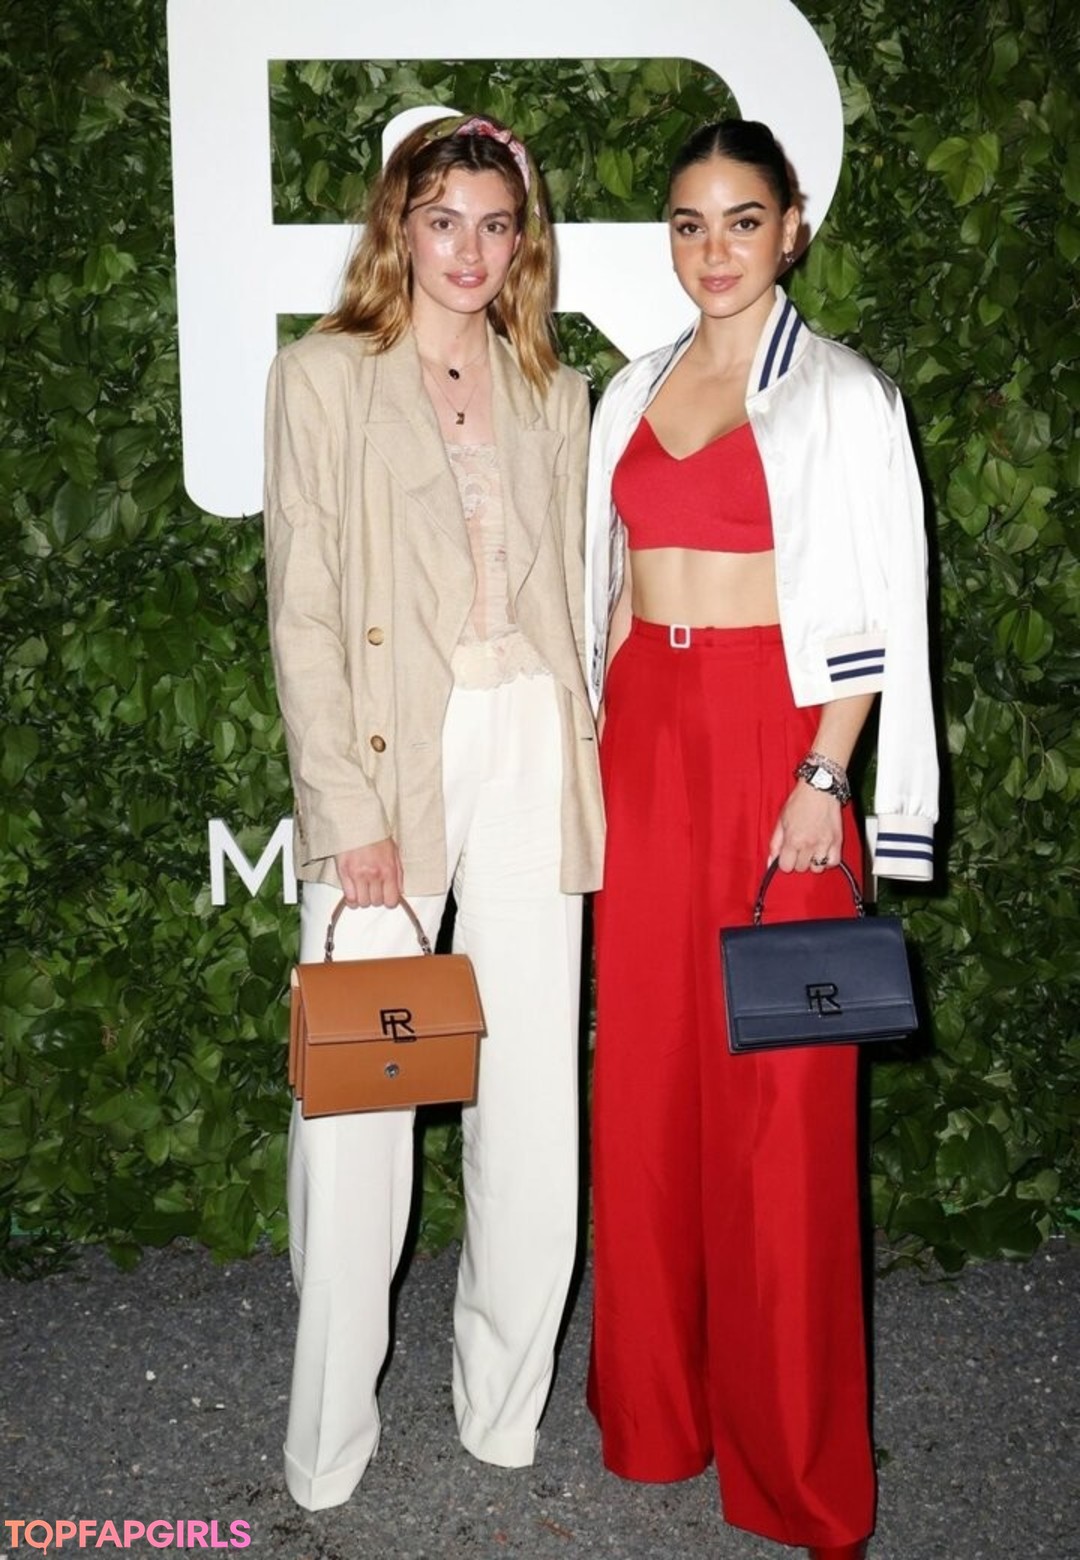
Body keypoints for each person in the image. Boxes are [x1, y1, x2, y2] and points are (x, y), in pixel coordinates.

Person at [583, 120, 939, 1560]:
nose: (714, 250)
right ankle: (658, 1417)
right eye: (689, 223)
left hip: (775, 742)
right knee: (646, 1078)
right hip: (644, 734)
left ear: (794, 226)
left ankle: (795, 1469)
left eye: (742, 220)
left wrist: (823, 775)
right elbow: (610, 585)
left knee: (783, 1104)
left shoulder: (843, 394)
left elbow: (882, 604)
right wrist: (592, 749)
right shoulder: (631, 387)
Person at [263, 113, 603, 1512]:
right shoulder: (322, 376)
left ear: (524, 242)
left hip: (530, 739)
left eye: (496, 223)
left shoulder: (555, 390)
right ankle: (326, 1440)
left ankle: (503, 1412)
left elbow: (585, 596)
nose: (470, 248)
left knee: (531, 1095)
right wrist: (346, 805)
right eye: (444, 218)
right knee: (358, 1108)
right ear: (398, 226)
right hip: (393, 753)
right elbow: (303, 611)